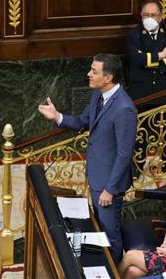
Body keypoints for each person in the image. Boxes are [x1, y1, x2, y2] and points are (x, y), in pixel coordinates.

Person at [38, 53, 137, 263]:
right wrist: (57, 116)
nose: (89, 74)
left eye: (94, 71)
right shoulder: (98, 95)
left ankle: (115, 272)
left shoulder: (125, 109)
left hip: (109, 184)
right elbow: (83, 120)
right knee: (100, 228)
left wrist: (110, 189)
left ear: (108, 77)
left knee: (110, 233)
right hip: (96, 175)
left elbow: (124, 154)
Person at [127, 0, 166, 102]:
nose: (149, 18)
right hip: (143, 91)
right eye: (146, 15)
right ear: (141, 16)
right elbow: (136, 59)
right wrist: (162, 55)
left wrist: (148, 60)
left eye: (153, 15)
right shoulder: (134, 34)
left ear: (160, 17)